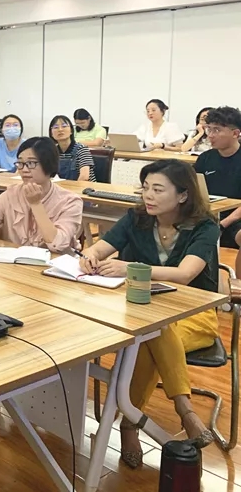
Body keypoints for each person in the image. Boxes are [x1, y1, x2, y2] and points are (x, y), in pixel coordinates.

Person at [79, 159, 217, 468]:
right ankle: (183, 409)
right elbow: (99, 248)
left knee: (151, 334)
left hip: (195, 314)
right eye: (145, 188)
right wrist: (89, 256)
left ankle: (130, 424)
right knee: (152, 331)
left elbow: (184, 274)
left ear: (183, 195)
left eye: (158, 189)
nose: (149, 196)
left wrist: (130, 267)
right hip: (146, 311)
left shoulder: (204, 226)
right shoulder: (137, 218)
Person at [0, 137, 83, 253]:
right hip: (15, 262)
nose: (24, 169)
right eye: (20, 163)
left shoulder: (70, 201)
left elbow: (57, 244)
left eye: (31, 163)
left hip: (55, 262)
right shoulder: (11, 194)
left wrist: (36, 204)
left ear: (49, 164)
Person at [193, 106, 241, 276]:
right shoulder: (205, 158)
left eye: (217, 130)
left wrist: (223, 223)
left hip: (235, 219)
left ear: (235, 133)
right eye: (209, 129)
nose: (210, 135)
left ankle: (238, 285)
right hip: (208, 216)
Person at [49, 115, 96, 182]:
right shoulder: (52, 152)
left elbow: (84, 177)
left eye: (64, 126)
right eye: (56, 127)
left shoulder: (81, 149)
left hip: (84, 187)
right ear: (51, 133)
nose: (60, 129)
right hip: (61, 187)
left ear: (71, 130)